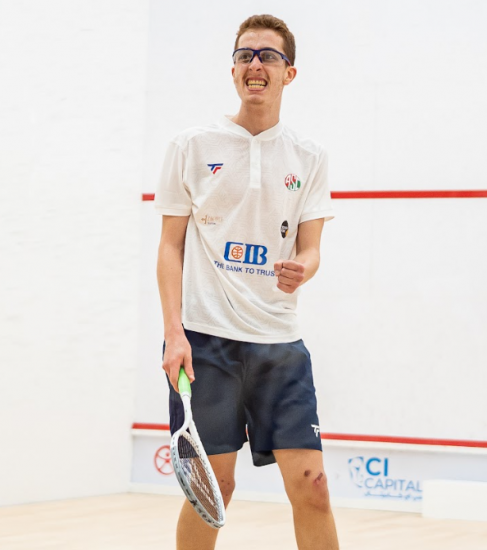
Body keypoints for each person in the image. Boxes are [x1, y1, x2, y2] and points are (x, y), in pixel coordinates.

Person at [154, 14, 338, 550]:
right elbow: (169, 246)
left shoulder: (309, 156)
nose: (255, 64)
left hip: (279, 345)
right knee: (213, 490)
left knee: (314, 487)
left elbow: (311, 249)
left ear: (289, 73)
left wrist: (304, 267)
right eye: (245, 55)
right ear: (233, 69)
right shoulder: (190, 146)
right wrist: (173, 334)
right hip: (206, 342)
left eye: (268, 56)